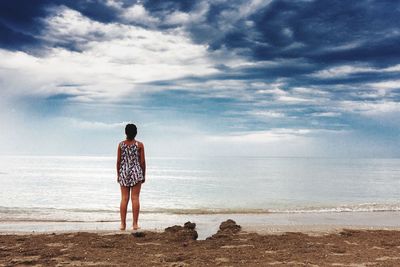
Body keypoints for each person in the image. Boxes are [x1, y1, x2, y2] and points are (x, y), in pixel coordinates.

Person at [116, 123, 146, 231]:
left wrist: (118, 174)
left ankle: (123, 224)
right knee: (135, 198)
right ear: (136, 133)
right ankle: (135, 224)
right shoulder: (140, 145)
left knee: (124, 198)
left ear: (125, 132)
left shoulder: (121, 145)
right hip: (136, 172)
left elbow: (119, 161)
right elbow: (142, 162)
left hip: (124, 171)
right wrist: (143, 174)